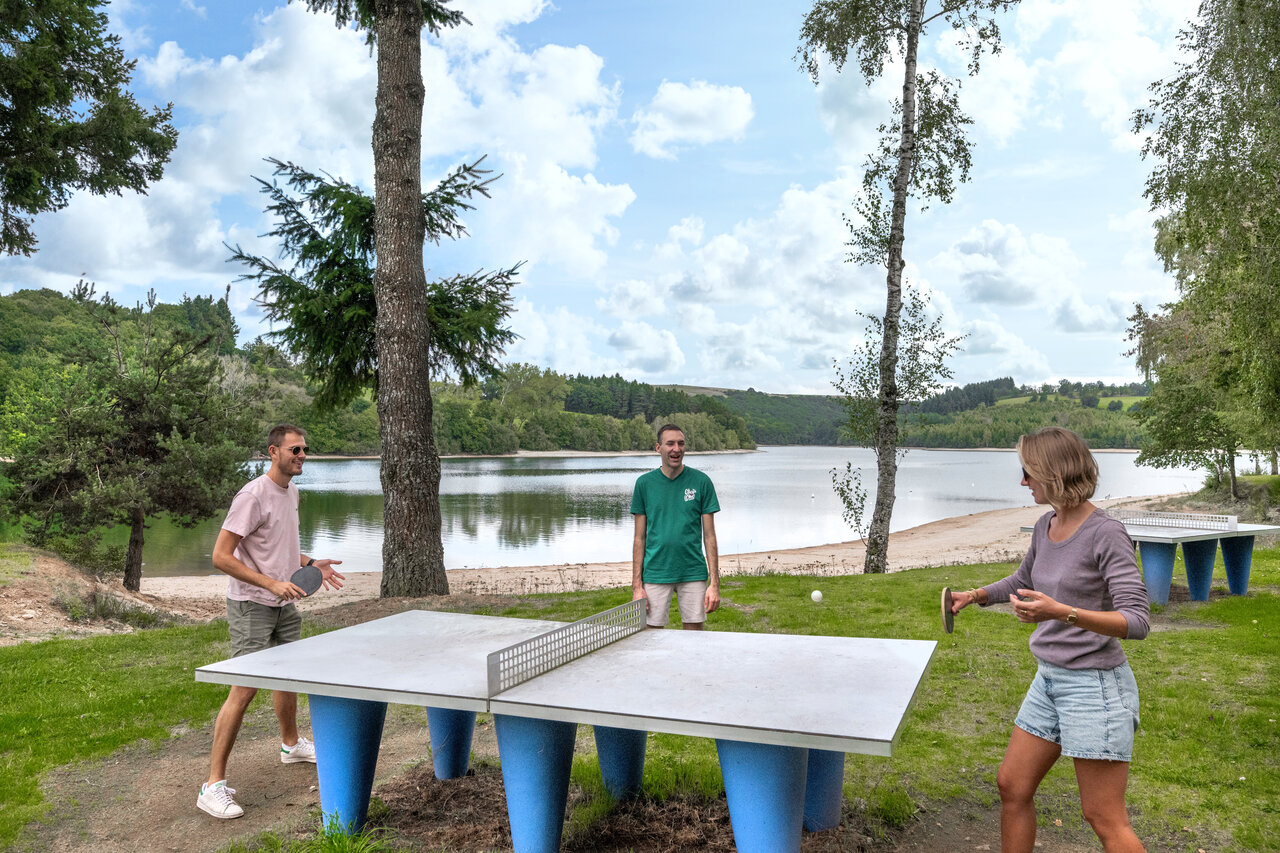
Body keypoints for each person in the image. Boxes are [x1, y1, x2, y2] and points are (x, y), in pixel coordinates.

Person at [949, 426, 1150, 853]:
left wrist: (1061, 612)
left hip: (1095, 687)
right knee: (1012, 786)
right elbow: (1024, 580)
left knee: (1103, 816)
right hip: (1051, 680)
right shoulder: (1047, 525)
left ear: (1053, 473)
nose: (1023, 482)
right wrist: (978, 595)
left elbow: (1136, 620)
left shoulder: (1106, 533)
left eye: (1028, 472)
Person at [197, 425, 345, 820]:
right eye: (295, 449)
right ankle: (212, 786)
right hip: (252, 605)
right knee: (244, 691)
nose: (301, 455)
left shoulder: (291, 492)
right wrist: (271, 585)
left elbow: (280, 549)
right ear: (273, 452)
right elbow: (221, 556)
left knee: (289, 676)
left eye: (305, 450)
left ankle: (290, 744)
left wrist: (311, 564)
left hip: (284, 602)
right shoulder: (252, 496)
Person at [631, 423, 720, 630]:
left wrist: (714, 584)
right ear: (658, 448)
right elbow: (639, 538)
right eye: (670, 443)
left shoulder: (701, 482)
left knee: (694, 639)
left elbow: (710, 537)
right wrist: (637, 586)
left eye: (681, 444)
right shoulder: (644, 484)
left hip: (693, 572)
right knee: (651, 637)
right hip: (655, 571)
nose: (676, 449)